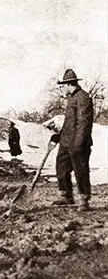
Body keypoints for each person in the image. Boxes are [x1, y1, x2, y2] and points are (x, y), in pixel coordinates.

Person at [51, 69, 94, 211]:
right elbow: (70, 123)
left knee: (80, 171)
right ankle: (66, 196)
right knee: (61, 167)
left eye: (62, 86)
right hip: (66, 142)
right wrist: (59, 135)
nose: (61, 89)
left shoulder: (83, 98)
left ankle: (84, 200)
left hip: (78, 143)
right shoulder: (71, 99)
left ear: (69, 84)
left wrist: (79, 144)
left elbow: (84, 123)